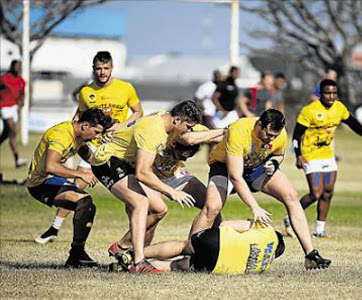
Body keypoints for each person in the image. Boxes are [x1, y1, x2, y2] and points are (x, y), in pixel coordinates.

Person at [181, 109, 331, 269]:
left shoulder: (279, 134)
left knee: (291, 196)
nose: (270, 138)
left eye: (274, 136)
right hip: (225, 166)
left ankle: (310, 255)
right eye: (268, 134)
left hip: (255, 168)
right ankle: (189, 255)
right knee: (212, 208)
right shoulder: (239, 130)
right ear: (259, 124)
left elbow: (278, 154)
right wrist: (255, 207)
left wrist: (274, 163)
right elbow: (235, 176)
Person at [35, 51, 143, 244]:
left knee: (130, 191)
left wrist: (121, 125)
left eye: (106, 68)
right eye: (99, 68)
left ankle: (134, 232)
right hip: (92, 147)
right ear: (93, 69)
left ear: (112, 68)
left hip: (118, 147)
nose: (102, 72)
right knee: (78, 187)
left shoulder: (125, 88)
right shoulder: (86, 92)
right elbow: (80, 116)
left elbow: (138, 112)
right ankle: (54, 228)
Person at [87, 100, 201, 274]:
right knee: (141, 203)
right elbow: (142, 172)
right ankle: (138, 262)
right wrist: (172, 192)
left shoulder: (164, 117)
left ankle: (122, 246)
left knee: (159, 209)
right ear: (177, 121)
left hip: (126, 163)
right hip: (107, 161)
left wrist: (223, 132)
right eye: (188, 126)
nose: (189, 131)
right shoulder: (153, 130)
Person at [106, 124, 225, 264]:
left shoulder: (196, 130)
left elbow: (219, 136)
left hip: (173, 173)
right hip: (148, 175)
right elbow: (137, 127)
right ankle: (126, 249)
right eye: (182, 154)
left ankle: (200, 250)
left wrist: (230, 133)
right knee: (155, 212)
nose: (185, 158)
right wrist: (110, 133)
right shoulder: (167, 131)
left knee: (212, 205)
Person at [284, 79, 362, 238]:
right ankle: (289, 219)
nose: (331, 96)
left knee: (328, 192)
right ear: (320, 94)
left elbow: (353, 124)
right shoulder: (309, 111)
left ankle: (319, 229)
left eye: (334, 93)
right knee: (315, 193)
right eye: (327, 93)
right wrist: (299, 155)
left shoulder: (339, 108)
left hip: (327, 155)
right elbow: (296, 135)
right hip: (310, 155)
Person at [26, 108, 114, 267]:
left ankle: (76, 254)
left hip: (53, 181)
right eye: (96, 132)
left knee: (88, 206)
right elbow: (51, 166)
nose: (96, 136)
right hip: (40, 184)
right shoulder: (61, 135)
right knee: (84, 201)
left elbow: (90, 157)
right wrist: (80, 174)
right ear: (85, 126)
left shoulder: (79, 135)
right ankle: (76, 254)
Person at [140, 220, 285, 275]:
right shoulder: (263, 268)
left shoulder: (268, 230)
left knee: (184, 247)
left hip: (217, 240)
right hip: (216, 265)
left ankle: (136, 255)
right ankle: (129, 268)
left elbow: (225, 224)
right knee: (175, 265)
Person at [0, 59, 27, 168]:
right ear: (12, 67)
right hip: (4, 106)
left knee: (8, 133)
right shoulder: (4, 79)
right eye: (16, 66)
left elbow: (22, 93)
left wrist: (22, 101)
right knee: (13, 130)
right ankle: (17, 158)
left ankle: (17, 160)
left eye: (20, 66)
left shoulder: (21, 80)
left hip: (13, 107)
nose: (18, 68)